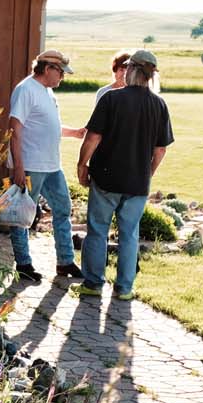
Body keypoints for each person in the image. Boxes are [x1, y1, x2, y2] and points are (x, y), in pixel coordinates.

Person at [75, 49, 173, 301]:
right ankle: (124, 289)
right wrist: (147, 172)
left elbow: (93, 136)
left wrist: (81, 164)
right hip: (137, 183)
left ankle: (93, 284)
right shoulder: (159, 105)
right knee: (130, 235)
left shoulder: (111, 99)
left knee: (98, 230)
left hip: (106, 178)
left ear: (131, 71)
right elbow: (160, 149)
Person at [7, 49, 87, 283]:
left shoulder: (49, 92)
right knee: (22, 215)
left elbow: (49, 125)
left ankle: (65, 261)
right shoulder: (25, 90)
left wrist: (75, 133)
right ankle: (23, 264)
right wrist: (19, 167)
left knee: (63, 208)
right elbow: (14, 130)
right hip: (31, 165)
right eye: (60, 72)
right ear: (48, 68)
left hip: (52, 165)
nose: (62, 77)